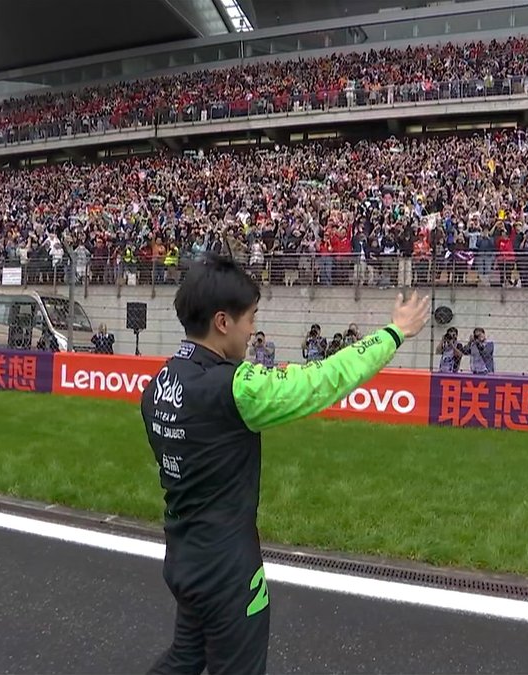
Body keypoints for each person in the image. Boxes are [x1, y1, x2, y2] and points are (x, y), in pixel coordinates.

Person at [139, 253, 430, 674]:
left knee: (186, 657)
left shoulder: (160, 382)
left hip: (184, 551)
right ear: (223, 322)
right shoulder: (235, 387)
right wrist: (394, 333)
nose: (253, 329)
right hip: (227, 564)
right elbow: (321, 382)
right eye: (250, 318)